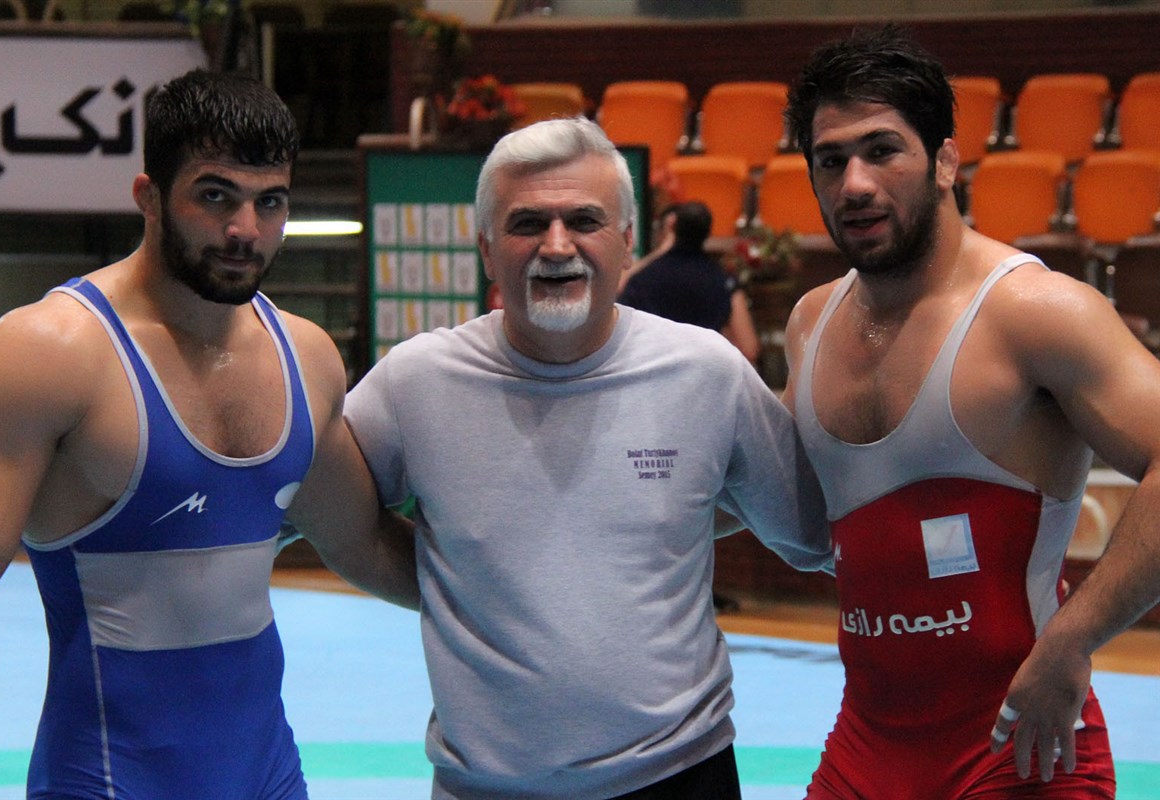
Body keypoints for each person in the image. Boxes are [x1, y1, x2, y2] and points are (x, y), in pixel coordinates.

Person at [0, 69, 417, 799]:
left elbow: (363, 542)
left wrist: (521, 601)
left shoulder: (306, 357)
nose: (245, 230)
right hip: (105, 784)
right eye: (215, 196)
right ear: (148, 197)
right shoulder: (52, 353)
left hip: (269, 780)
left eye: (270, 202)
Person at [343, 116, 831, 799]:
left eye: (584, 220)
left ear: (628, 242)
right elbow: (323, 514)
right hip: (485, 787)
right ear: (486, 249)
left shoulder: (705, 372)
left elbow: (815, 532)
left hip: (679, 775)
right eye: (526, 224)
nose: (556, 245)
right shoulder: (415, 382)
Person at [780, 25, 1160, 798]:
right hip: (866, 747)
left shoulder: (1035, 312)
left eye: (882, 150)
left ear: (946, 161)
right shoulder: (811, 323)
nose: (855, 183)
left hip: (1020, 747)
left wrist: (1075, 639)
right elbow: (784, 505)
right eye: (831, 160)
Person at [618, 201, 760, 364]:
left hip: (652, 370)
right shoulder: (722, 281)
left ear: (673, 228)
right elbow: (749, 348)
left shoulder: (642, 279)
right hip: (703, 371)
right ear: (708, 233)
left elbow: (621, 330)